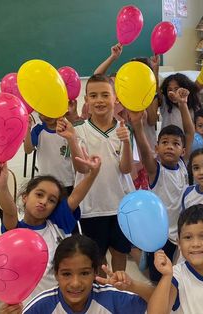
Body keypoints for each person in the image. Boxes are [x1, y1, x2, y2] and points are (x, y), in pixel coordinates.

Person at [0, 152, 101, 303]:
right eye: (39, 194)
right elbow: (10, 212)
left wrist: (93, 174)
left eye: (51, 200)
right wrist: (2, 186)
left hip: (62, 302)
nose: (44, 201)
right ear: (25, 197)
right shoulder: (16, 232)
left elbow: (75, 197)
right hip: (30, 303)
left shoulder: (58, 225)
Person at [56, 74, 135, 273]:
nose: (99, 100)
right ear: (86, 100)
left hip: (120, 206)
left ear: (115, 98)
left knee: (120, 254)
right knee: (98, 260)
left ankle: (118, 293)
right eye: (93, 95)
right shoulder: (79, 130)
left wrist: (125, 141)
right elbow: (81, 168)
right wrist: (72, 140)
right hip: (91, 207)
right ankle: (102, 293)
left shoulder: (124, 130)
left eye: (105, 95)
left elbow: (126, 169)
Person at [129, 87, 195, 283]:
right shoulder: (156, 170)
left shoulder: (183, 165)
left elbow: (189, 132)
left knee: (177, 274)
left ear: (183, 151)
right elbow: (144, 150)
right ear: (157, 148)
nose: (169, 146)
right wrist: (137, 126)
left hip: (180, 232)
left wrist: (183, 105)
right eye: (164, 142)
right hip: (160, 235)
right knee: (158, 277)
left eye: (175, 144)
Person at [0, 234, 153, 314]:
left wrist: (133, 286)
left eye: (84, 273)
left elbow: (162, 300)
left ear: (95, 272)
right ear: (56, 274)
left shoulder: (111, 297)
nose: (75, 283)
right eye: (66, 274)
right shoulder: (42, 306)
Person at [24, 114, 75, 195]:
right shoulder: (38, 129)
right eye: (42, 113)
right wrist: (27, 130)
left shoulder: (67, 128)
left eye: (50, 112)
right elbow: (28, 150)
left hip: (66, 181)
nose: (47, 116)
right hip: (45, 180)